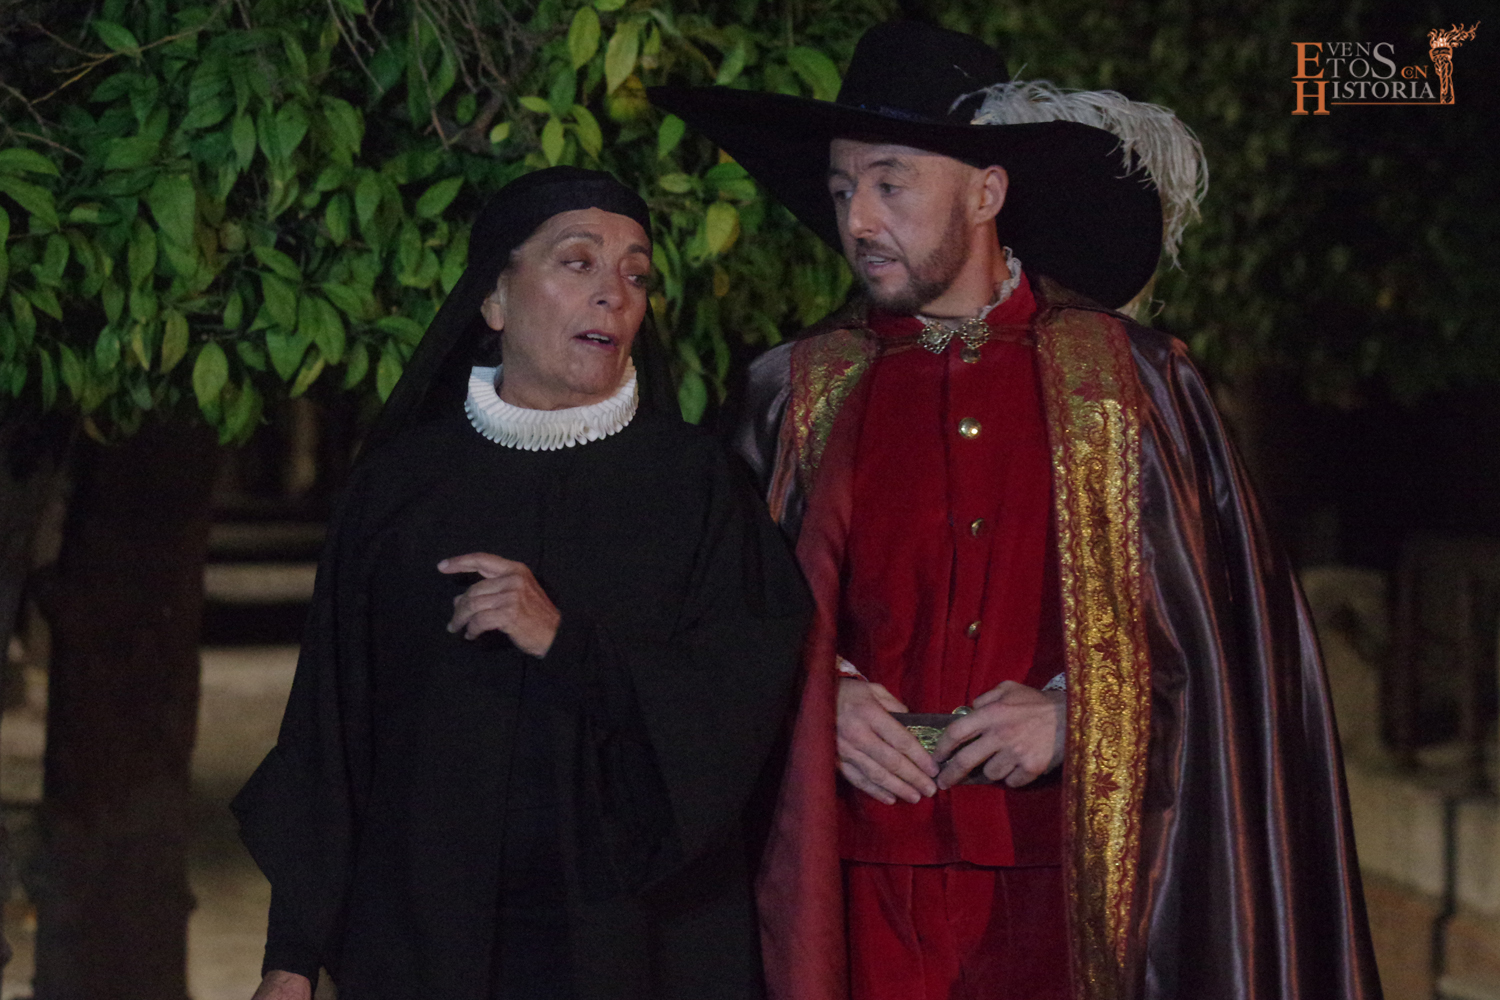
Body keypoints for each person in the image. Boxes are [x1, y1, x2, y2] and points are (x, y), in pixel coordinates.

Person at [651, 21, 1382, 1000]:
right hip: (855, 894)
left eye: (890, 184)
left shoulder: (1135, 385)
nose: (858, 218)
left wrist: (1081, 715)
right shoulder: (793, 392)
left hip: (1076, 884)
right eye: (841, 189)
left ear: (986, 191)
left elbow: (1233, 658)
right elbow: (712, 629)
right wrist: (817, 695)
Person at [232, 166, 809, 1000]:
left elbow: (738, 707)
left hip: (632, 944)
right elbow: (331, 727)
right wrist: (290, 958)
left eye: (636, 275)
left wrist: (565, 644)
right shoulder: (399, 488)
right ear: (494, 299)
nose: (613, 293)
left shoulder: (698, 486)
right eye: (578, 262)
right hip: (425, 937)